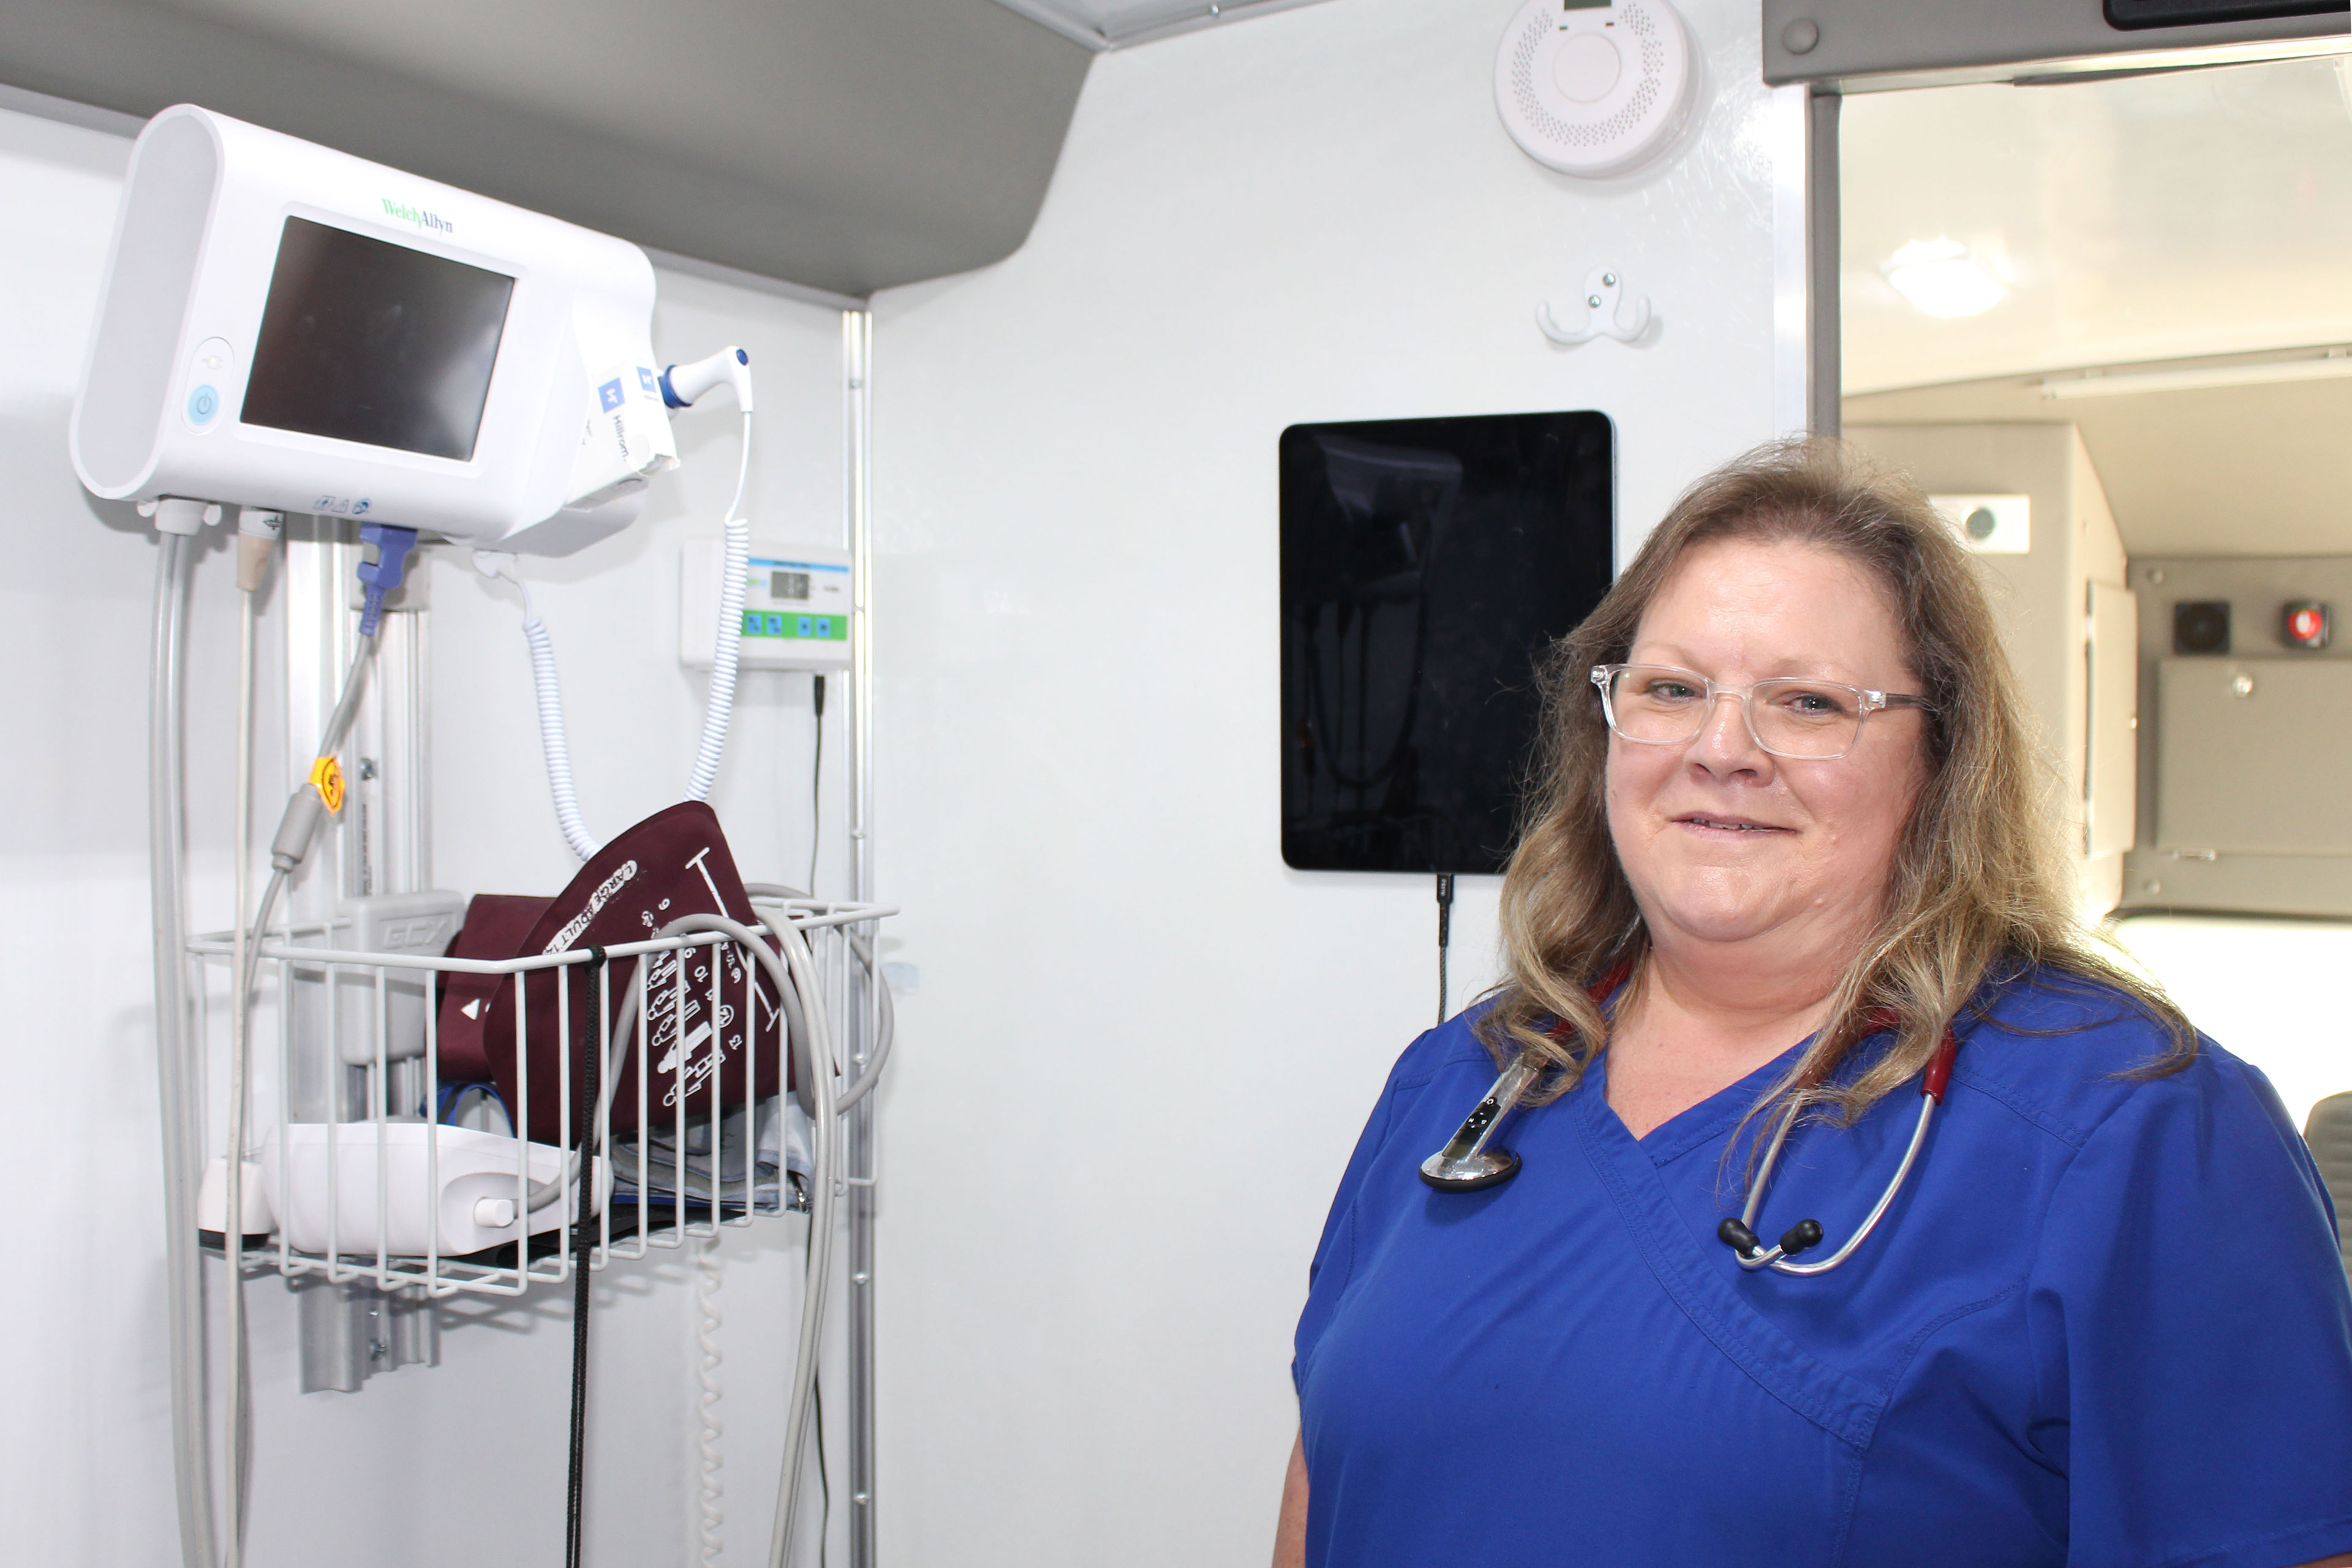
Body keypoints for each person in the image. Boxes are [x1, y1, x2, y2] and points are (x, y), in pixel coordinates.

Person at [1274, 439, 2352, 1568]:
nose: (1722, 750)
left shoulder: (2143, 1130)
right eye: (1672, 689)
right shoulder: (1464, 1084)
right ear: (1607, 728)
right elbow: (1322, 1484)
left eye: (1807, 703)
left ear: (1938, 759)